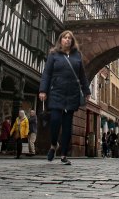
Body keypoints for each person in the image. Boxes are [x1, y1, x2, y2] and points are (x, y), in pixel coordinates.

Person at [38, 30, 90, 165]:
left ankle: (63, 155)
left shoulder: (77, 55)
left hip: (72, 93)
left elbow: (82, 76)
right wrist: (43, 90)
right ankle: (54, 144)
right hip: (57, 92)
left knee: (67, 126)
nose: (67, 40)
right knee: (55, 120)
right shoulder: (53, 55)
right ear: (60, 40)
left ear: (72, 41)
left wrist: (86, 91)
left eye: (69, 38)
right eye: (65, 38)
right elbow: (47, 73)